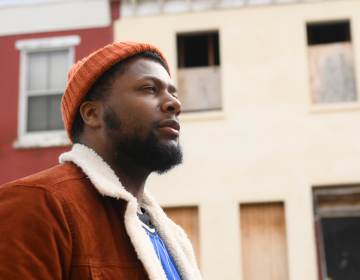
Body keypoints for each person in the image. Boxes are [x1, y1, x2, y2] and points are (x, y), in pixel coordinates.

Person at [0, 41, 201, 280]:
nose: (174, 104)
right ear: (93, 114)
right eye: (149, 88)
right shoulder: (37, 203)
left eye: (172, 92)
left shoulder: (171, 237)